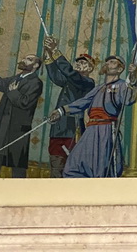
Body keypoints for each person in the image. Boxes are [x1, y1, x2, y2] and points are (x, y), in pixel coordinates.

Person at [52, 54, 137, 178]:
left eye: (112, 62)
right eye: (107, 62)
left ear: (120, 69)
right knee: (74, 163)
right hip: (91, 129)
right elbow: (83, 102)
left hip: (106, 129)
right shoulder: (98, 88)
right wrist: (61, 111)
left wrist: (133, 79)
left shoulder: (122, 85)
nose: (108, 64)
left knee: (101, 165)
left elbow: (129, 99)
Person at [42, 36, 96, 177]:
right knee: (55, 161)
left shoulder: (87, 82)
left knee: (70, 164)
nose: (79, 65)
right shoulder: (72, 80)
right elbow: (56, 77)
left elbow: (71, 74)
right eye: (78, 62)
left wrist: (55, 51)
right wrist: (48, 55)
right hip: (59, 126)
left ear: (90, 68)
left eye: (84, 63)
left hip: (73, 127)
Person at [0, 53, 43, 178]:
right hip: (3, 125)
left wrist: (14, 92)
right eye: (24, 58)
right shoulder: (15, 79)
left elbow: (25, 102)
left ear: (36, 65)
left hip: (17, 129)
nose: (24, 60)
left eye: (29, 59)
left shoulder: (35, 83)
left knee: (17, 164)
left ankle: (19, 194)